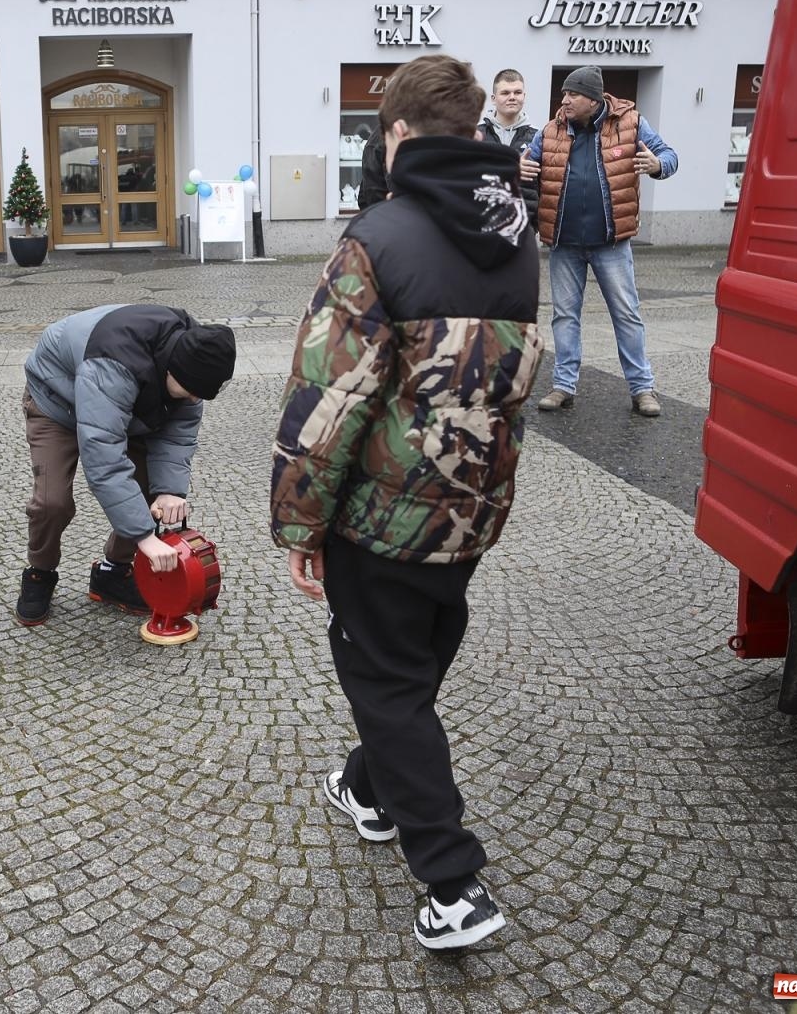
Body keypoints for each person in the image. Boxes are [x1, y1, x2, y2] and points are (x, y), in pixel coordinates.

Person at [271, 54, 542, 950]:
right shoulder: (520, 238)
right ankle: (369, 787)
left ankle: (453, 883)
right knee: (412, 663)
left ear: (394, 136)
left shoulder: (376, 238)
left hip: (381, 520)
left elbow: (329, 397)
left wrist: (299, 523)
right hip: (469, 507)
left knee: (387, 682)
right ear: (473, 134)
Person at [15, 305, 236, 625]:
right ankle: (40, 572)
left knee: (146, 489)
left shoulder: (197, 354)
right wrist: (147, 538)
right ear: (172, 371)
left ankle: (113, 572)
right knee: (52, 502)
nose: (192, 400)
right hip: (57, 401)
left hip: (127, 405)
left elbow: (177, 435)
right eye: (189, 392)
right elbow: (103, 459)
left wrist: (170, 491)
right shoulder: (115, 363)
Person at [518, 65, 678, 417]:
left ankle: (642, 389)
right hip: (564, 242)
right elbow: (525, 164)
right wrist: (519, 169)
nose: (565, 100)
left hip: (611, 243)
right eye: (564, 94)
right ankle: (563, 386)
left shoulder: (631, 123)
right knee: (564, 316)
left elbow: (669, 156)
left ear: (593, 98)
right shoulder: (549, 131)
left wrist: (656, 166)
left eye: (572, 94)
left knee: (626, 314)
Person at [477, 69, 539, 223]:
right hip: (482, 223)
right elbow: (466, 175)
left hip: (523, 225)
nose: (512, 97)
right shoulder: (476, 135)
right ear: (493, 98)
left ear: (524, 96)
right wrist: (511, 167)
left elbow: (546, 185)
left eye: (517, 92)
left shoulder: (538, 137)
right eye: (505, 93)